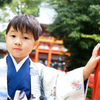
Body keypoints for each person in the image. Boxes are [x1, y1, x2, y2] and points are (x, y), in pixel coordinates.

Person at [0, 14, 100, 100]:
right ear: (6, 38)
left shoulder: (41, 72)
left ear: (35, 44)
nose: (18, 42)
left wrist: (89, 66)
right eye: (13, 36)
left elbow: (64, 82)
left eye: (25, 37)